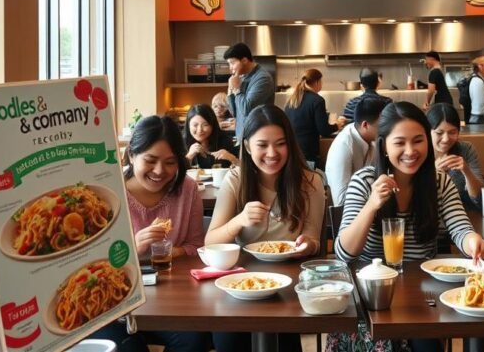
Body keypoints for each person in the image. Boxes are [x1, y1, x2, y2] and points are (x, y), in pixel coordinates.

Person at [335, 102, 484, 352]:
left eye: (418, 140)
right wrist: (372, 205)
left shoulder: (439, 182)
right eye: (399, 143)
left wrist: (473, 242)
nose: (410, 151)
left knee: (428, 344)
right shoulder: (364, 182)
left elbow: (460, 228)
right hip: (372, 299)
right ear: (384, 146)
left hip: (423, 297)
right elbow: (345, 253)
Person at [206, 105, 325, 352]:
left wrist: (308, 244)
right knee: (227, 342)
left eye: (280, 144)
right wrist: (238, 220)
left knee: (284, 342)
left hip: (288, 284)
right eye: (262, 145)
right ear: (248, 147)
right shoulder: (236, 180)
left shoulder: (311, 182)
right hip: (241, 282)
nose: (272, 153)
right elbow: (210, 242)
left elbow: (313, 239)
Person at [91, 116, 211, 352]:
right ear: (132, 154)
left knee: (195, 340)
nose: (160, 171)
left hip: (170, 300)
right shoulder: (106, 193)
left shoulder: (186, 189)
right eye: (151, 160)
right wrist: (131, 249)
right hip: (114, 306)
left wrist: (170, 251)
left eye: (170, 162)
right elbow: (88, 264)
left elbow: (197, 246)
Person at [326, 97, 385, 207]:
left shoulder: (372, 141)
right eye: (382, 126)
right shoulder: (344, 146)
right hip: (347, 217)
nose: (386, 130)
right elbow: (340, 201)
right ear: (365, 125)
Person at [426, 103, 482, 210]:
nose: (446, 139)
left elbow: (478, 198)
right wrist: (434, 174)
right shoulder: (420, 153)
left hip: (463, 214)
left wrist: (466, 171)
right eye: (439, 133)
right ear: (428, 132)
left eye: (452, 132)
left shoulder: (465, 149)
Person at [284, 68, 344, 166]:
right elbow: (323, 130)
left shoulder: (292, 100)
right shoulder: (317, 100)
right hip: (308, 153)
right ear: (316, 82)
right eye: (321, 81)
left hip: (291, 150)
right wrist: (337, 125)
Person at [224, 42, 275, 143]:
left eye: (232, 63)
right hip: (242, 136)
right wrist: (230, 90)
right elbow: (234, 112)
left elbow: (246, 109)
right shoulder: (241, 78)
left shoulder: (262, 78)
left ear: (244, 60)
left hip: (257, 137)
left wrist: (236, 90)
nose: (230, 68)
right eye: (229, 64)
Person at [183, 104, 238, 169]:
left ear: (212, 125)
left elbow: (245, 170)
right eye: (195, 125)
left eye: (205, 125)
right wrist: (189, 156)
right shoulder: (181, 144)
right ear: (188, 126)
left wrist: (231, 157)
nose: (200, 130)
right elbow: (174, 172)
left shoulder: (225, 140)